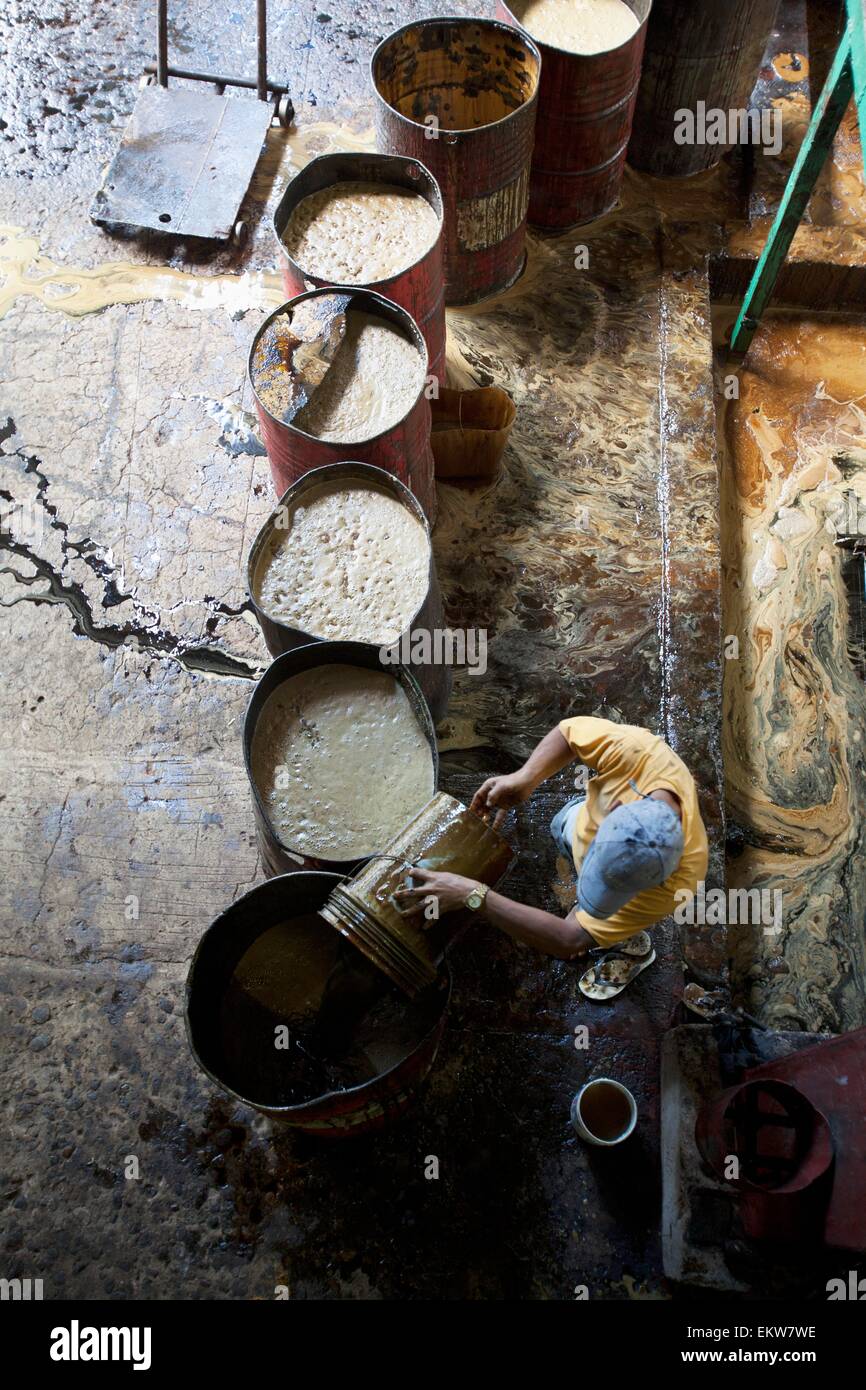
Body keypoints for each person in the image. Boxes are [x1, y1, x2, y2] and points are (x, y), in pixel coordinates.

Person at [395, 716, 708, 961]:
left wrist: (472, 894)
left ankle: (612, 926)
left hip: (612, 861)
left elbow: (568, 939)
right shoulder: (640, 754)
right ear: (615, 805)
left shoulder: (677, 884)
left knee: (586, 923)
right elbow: (569, 734)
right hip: (577, 823)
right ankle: (589, 882)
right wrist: (525, 779)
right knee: (562, 825)